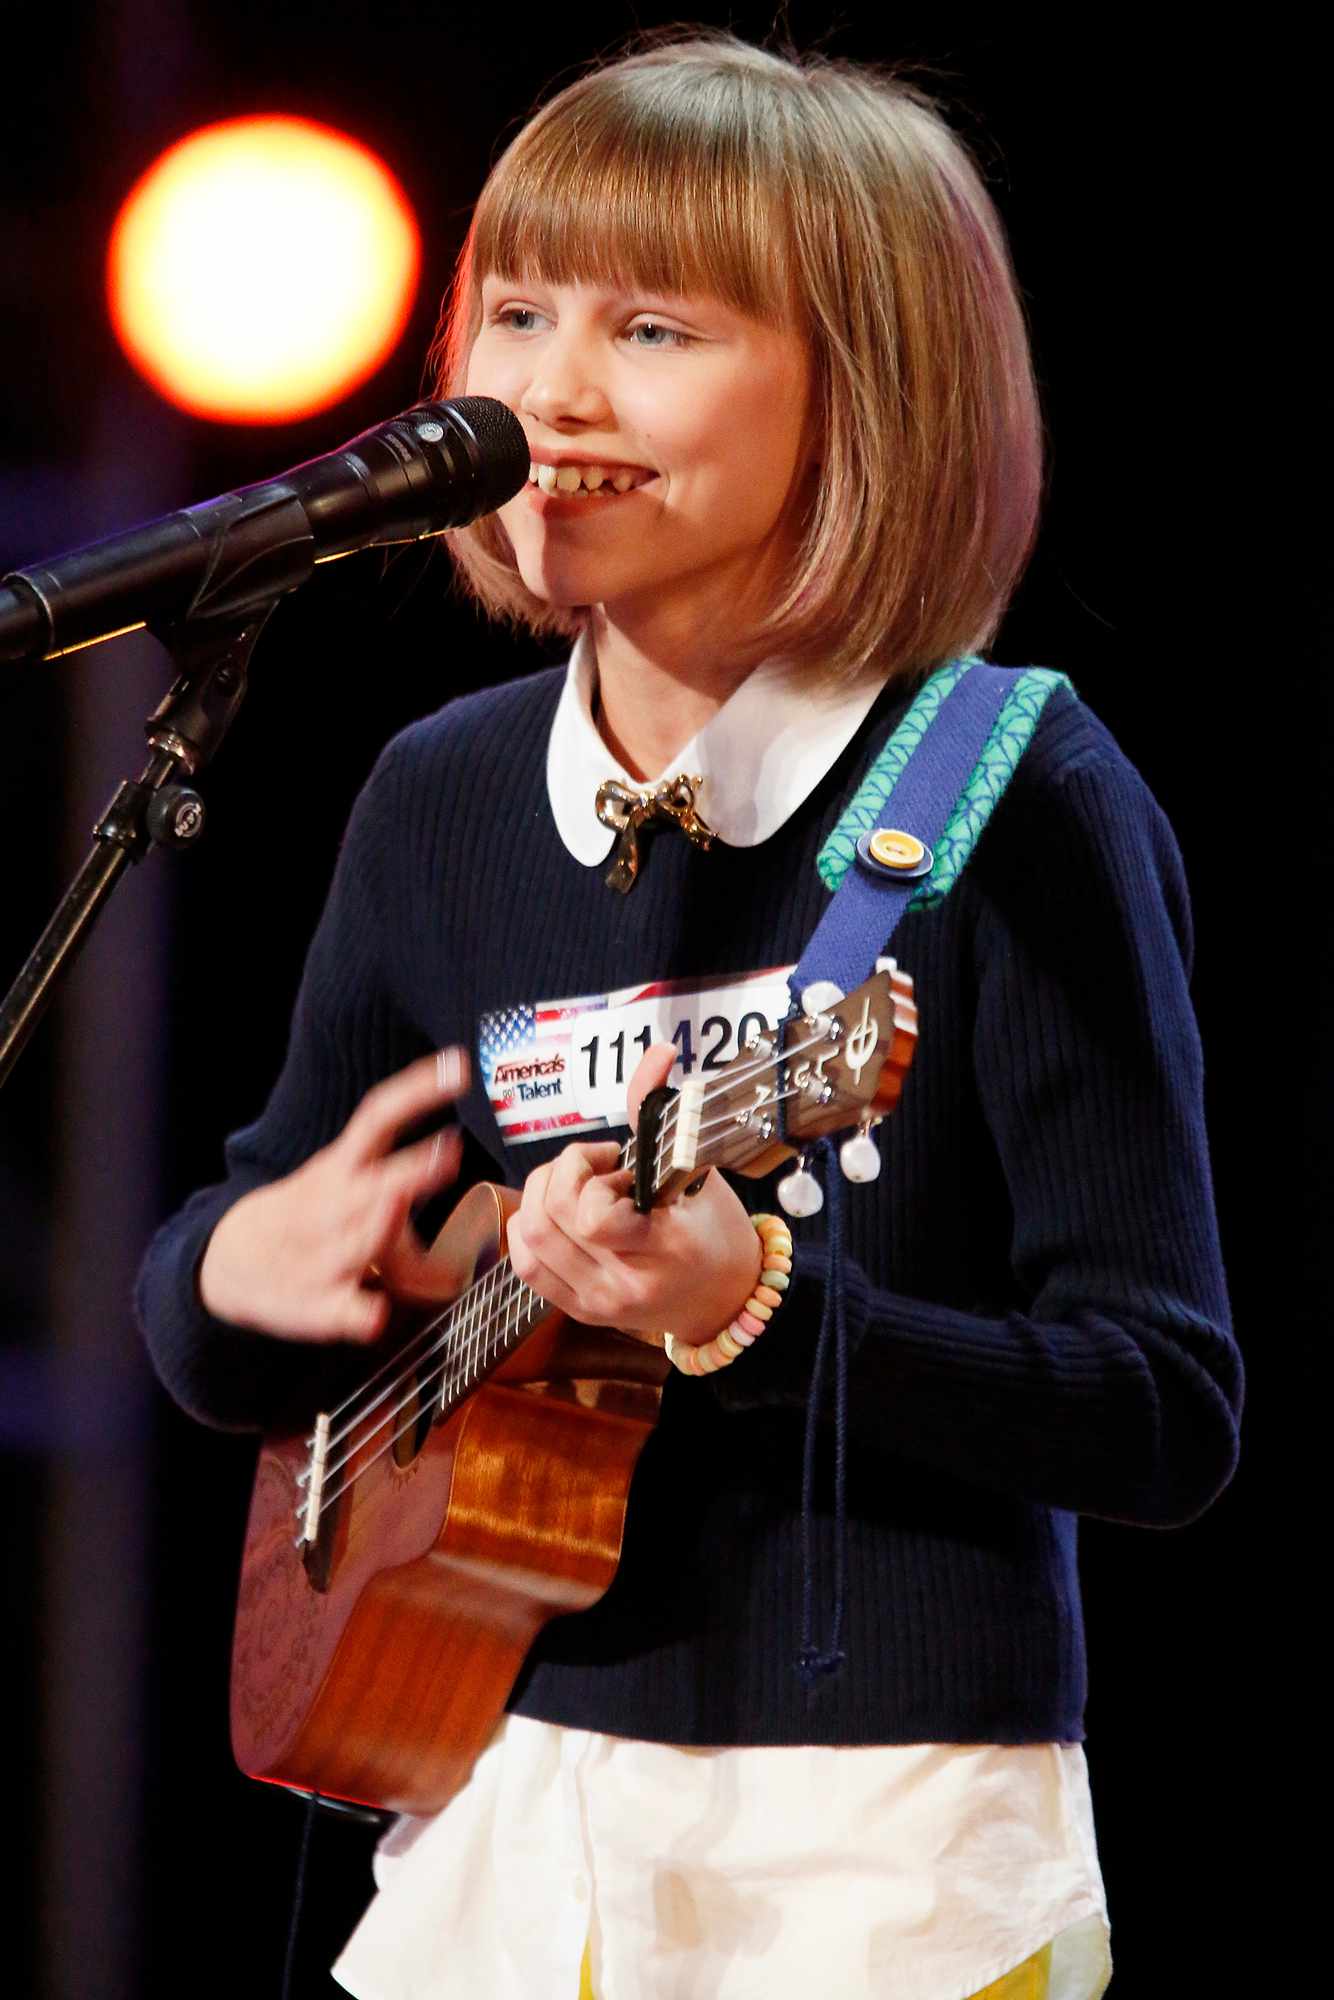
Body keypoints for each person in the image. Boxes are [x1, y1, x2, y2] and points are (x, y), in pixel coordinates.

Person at [135, 31, 1242, 2000]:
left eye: (651, 327)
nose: (549, 389)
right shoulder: (443, 793)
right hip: (484, 1833)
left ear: (864, 389)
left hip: (886, 1870)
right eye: (520, 309)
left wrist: (752, 1308)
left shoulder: (1019, 792)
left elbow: (1163, 1409)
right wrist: (244, 1261)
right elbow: (233, 1322)